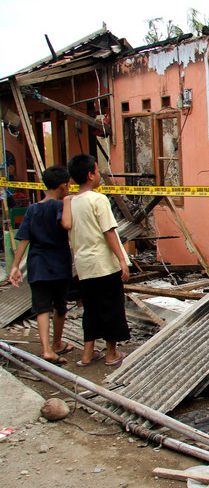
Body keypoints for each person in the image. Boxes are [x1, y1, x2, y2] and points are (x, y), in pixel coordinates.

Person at [63, 154, 130, 367]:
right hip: (103, 264)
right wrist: (121, 260)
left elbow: (68, 229)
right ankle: (111, 354)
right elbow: (109, 231)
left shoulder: (73, 202)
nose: (100, 174)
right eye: (98, 171)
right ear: (90, 175)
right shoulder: (98, 199)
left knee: (90, 310)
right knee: (111, 308)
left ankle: (87, 353)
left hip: (84, 266)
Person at [8, 165, 74, 365]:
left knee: (42, 307)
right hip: (59, 264)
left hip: (37, 264)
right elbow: (69, 226)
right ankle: (56, 344)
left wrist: (15, 266)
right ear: (63, 186)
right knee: (60, 306)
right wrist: (69, 202)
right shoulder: (62, 207)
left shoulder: (33, 209)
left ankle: (46, 349)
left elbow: (24, 239)